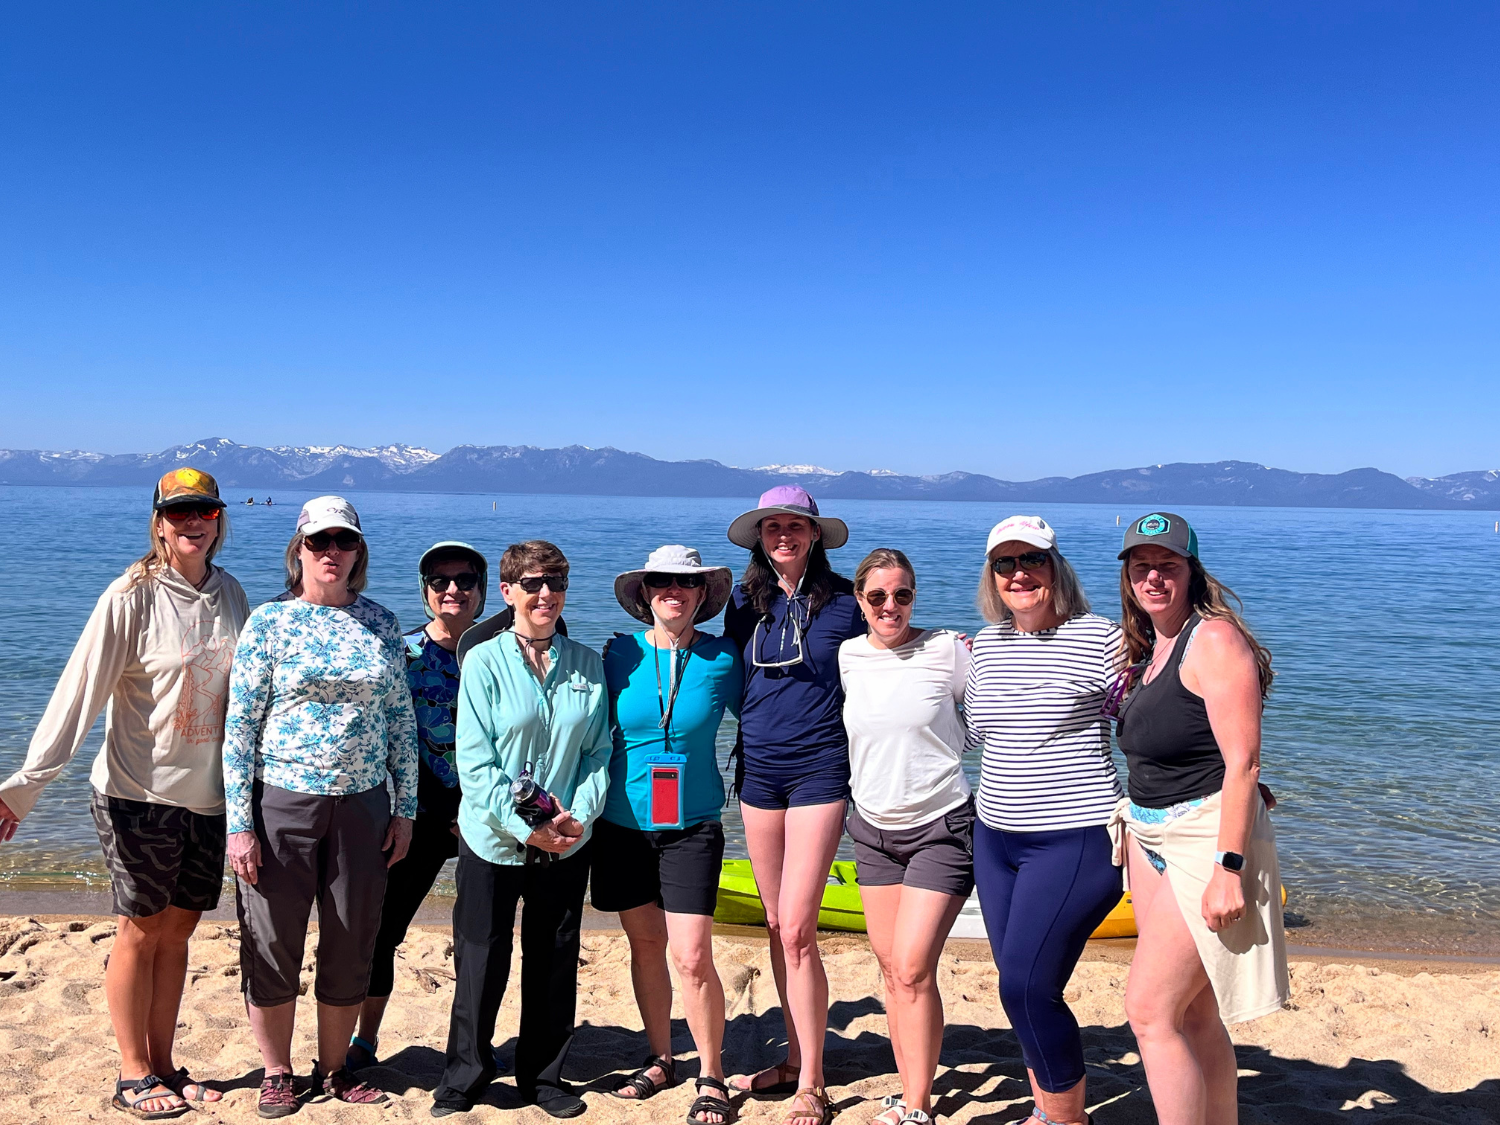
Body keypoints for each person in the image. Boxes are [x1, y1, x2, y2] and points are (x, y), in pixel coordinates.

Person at [0, 468, 245, 1118]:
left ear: (218, 520)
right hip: (136, 794)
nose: (194, 522)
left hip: (208, 799)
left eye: (205, 511)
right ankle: (131, 1069)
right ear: (160, 522)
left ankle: (164, 1061)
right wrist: (26, 784)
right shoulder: (130, 596)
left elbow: (249, 700)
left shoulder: (231, 595)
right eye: (180, 512)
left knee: (180, 929)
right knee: (141, 929)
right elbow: (79, 691)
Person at [222, 495, 419, 1116]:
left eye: (344, 542)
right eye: (319, 543)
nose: (331, 553)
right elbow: (240, 727)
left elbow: (399, 722)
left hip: (363, 805)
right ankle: (276, 1071)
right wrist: (239, 826)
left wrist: (405, 807)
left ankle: (333, 1070)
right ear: (299, 550)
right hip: (282, 802)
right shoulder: (270, 623)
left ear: (359, 552)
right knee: (274, 939)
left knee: (350, 938)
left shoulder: (382, 623)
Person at [1112, 513, 1287, 1125]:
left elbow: (1242, 763)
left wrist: (1227, 867)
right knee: (1194, 1014)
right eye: (1141, 566)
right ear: (1128, 575)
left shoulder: (1211, 639)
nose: (1154, 576)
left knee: (1150, 1012)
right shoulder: (1148, 647)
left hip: (1203, 840)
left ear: (1192, 571)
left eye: (1168, 565)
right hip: (1151, 832)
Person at [432, 540, 612, 1120]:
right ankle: (466, 1074)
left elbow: (598, 753)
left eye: (555, 583)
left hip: (565, 839)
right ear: (507, 592)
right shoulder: (482, 659)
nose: (545, 595)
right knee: (481, 957)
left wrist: (576, 817)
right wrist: (525, 827)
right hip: (492, 839)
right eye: (532, 584)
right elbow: (476, 764)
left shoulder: (586, 663)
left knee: (555, 956)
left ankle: (543, 1076)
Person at [964, 515, 1127, 1125]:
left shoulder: (1103, 640)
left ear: (1056, 568)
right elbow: (979, 733)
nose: (1018, 574)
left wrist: (1227, 776)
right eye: (1004, 564)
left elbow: (1149, 722)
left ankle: (1065, 1119)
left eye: (1031, 561)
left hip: (1075, 839)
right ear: (992, 576)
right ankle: (1045, 1109)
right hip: (996, 837)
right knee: (1021, 985)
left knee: (1026, 987)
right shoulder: (987, 645)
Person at [721, 486, 865, 1125]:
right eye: (772, 526)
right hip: (757, 771)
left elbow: (888, 654)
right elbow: (729, 680)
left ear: (813, 534)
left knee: (800, 927)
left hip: (819, 770)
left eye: (795, 526)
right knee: (778, 926)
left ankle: (811, 1079)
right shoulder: (742, 605)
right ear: (761, 536)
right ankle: (795, 1056)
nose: (783, 535)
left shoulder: (845, 603)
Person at [596, 546, 742, 1125]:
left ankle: (711, 1072)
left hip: (692, 825)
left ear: (702, 595)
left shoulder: (724, 658)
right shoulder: (618, 655)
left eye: (686, 583)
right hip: (621, 824)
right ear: (644, 593)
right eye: (661, 582)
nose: (673, 592)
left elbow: (769, 717)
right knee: (646, 947)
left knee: (691, 955)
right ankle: (660, 1058)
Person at [839, 549, 973, 1125]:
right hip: (870, 831)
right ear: (859, 601)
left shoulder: (950, 650)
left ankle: (918, 1107)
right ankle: (910, 1086)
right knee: (893, 969)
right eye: (877, 596)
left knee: (915, 967)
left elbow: (997, 716)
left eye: (902, 595)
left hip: (942, 827)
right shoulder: (848, 655)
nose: (890, 606)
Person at [346, 542, 489, 1072]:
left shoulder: (499, 650)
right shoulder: (400, 652)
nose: (452, 589)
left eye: (465, 579)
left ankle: (472, 1045)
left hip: (486, 812)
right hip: (417, 812)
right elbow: (383, 738)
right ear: (424, 590)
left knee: (480, 935)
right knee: (383, 928)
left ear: (481, 588)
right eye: (439, 580)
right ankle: (365, 1038)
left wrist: (479, 805)